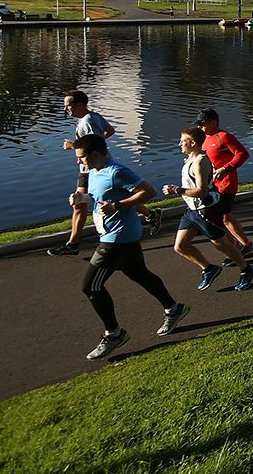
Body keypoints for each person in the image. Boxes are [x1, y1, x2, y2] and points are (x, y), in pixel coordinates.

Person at [71, 134, 190, 360]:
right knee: (140, 274)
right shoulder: (94, 172)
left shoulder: (117, 172)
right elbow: (98, 198)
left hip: (118, 238)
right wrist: (80, 198)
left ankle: (114, 333)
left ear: (94, 153)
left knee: (90, 287)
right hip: (116, 235)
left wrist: (118, 205)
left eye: (81, 157)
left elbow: (149, 191)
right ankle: (174, 309)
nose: (79, 162)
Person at [48, 91, 161, 257]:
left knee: (80, 205)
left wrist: (73, 146)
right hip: (90, 167)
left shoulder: (87, 122)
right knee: (112, 196)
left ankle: (73, 244)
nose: (65, 109)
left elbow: (93, 145)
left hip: (92, 169)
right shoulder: (93, 116)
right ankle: (151, 214)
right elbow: (110, 130)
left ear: (79, 105)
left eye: (68, 105)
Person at [162, 127, 253, 292]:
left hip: (207, 211)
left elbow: (201, 191)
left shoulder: (200, 162)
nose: (179, 144)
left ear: (192, 143)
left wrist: (176, 190)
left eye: (182, 141)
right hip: (192, 210)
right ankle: (209, 269)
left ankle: (247, 269)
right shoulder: (189, 160)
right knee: (180, 246)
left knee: (221, 245)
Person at [196, 109, 253, 261]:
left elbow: (243, 154)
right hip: (212, 185)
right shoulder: (204, 139)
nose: (200, 127)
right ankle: (238, 246)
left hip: (227, 183)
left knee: (225, 217)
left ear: (213, 122)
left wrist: (226, 168)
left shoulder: (224, 137)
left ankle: (245, 246)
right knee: (218, 218)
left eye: (202, 123)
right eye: (199, 124)